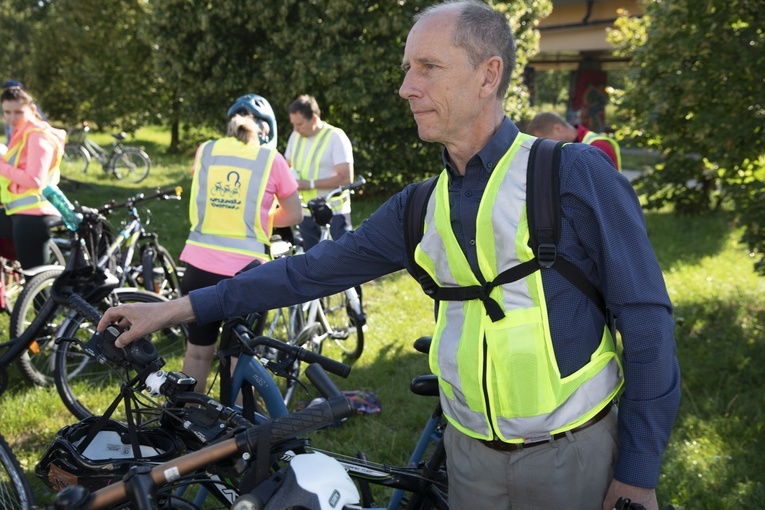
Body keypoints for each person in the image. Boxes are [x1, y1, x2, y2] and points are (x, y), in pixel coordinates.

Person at [98, 2, 680, 509]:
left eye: (428, 67)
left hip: (572, 456)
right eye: (407, 69)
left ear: (487, 75)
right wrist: (177, 308)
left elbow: (647, 321)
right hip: (468, 455)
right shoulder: (420, 206)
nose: (406, 87)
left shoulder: (573, 174)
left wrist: (636, 474)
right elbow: (306, 272)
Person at [177, 93, 302, 392]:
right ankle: (233, 429)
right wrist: (264, 219)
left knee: (196, 351)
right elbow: (294, 214)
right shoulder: (272, 159)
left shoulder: (205, 151)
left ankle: (187, 424)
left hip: (197, 269)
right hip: (246, 275)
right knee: (237, 358)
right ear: (267, 129)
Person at [0, 85, 65, 269]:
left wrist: (1, 165)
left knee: (35, 282)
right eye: (7, 112)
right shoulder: (21, 133)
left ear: (32, 110)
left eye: (18, 112)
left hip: (34, 216)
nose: (12, 118)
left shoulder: (37, 135)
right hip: (18, 211)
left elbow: (35, 180)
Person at [285, 94, 354, 250]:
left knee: (342, 258)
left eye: (300, 124)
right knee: (310, 262)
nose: (295, 129)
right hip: (305, 212)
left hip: (333, 212)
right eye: (293, 124)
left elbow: (346, 177)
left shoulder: (335, 137)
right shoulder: (295, 136)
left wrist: (308, 184)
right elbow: (286, 166)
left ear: (314, 119)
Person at [528, 111, 622, 171]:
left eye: (544, 140)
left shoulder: (598, 145)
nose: (544, 145)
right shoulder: (567, 146)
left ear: (557, 128)